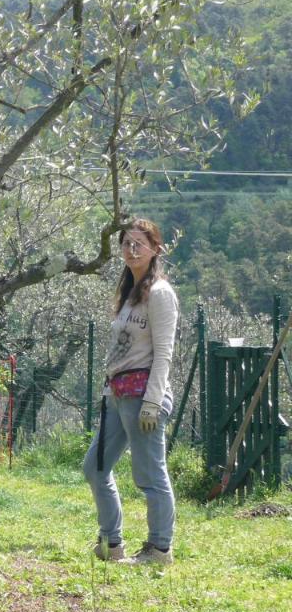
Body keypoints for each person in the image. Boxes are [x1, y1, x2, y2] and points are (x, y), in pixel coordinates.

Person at [82, 218, 178, 565]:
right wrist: (109, 390)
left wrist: (153, 401)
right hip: (119, 394)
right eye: (126, 243)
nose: (132, 249)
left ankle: (159, 549)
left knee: (150, 475)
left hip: (144, 396)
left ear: (156, 249)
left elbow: (164, 352)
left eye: (140, 243)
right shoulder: (129, 293)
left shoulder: (161, 294)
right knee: (95, 466)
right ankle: (111, 542)